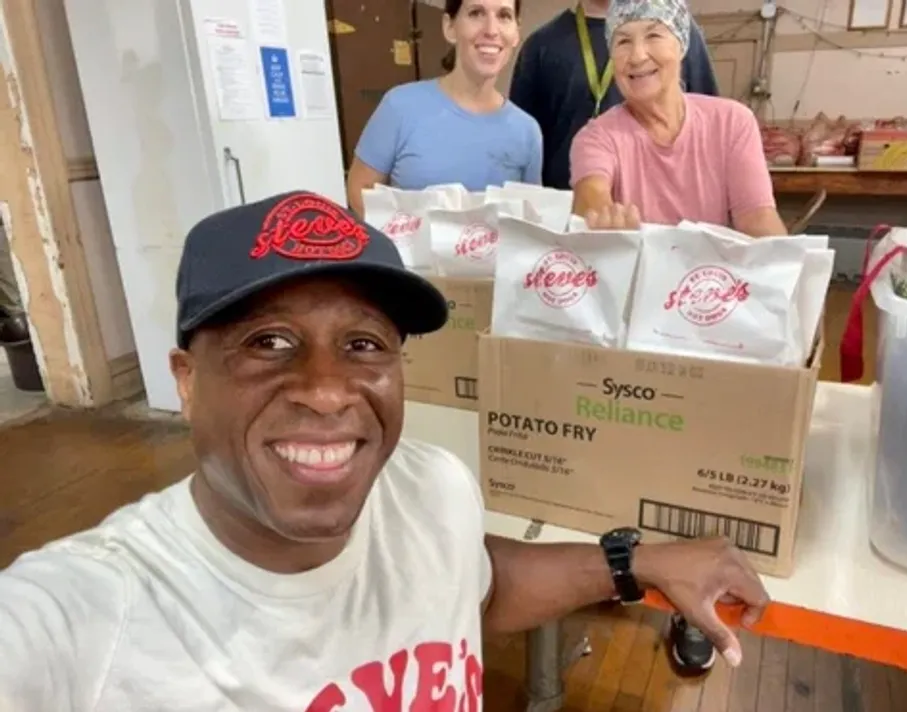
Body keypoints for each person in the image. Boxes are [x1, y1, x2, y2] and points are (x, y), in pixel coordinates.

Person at [0, 189, 769, 708]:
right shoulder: (88, 619)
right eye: (268, 343)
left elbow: (475, 581)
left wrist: (632, 562)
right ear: (186, 382)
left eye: (363, 344)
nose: (329, 390)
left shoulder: (430, 486)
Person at [571, 0, 788, 237]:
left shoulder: (732, 123)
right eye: (623, 41)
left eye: (653, 35)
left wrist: (787, 265)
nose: (637, 56)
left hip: (709, 272)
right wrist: (601, 218)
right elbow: (590, 194)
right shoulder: (598, 136)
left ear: (681, 44)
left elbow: (757, 217)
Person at [346, 0, 542, 218]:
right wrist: (408, 240)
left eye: (504, 16)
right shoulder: (400, 107)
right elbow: (359, 190)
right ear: (449, 27)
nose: (491, 30)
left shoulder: (526, 131)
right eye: (476, 13)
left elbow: (528, 221)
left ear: (516, 32)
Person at [509, 0, 719, 191]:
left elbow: (709, 130)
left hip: (667, 205)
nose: (638, 54)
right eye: (624, 42)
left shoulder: (673, 29)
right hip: (568, 210)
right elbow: (523, 146)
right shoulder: (541, 46)